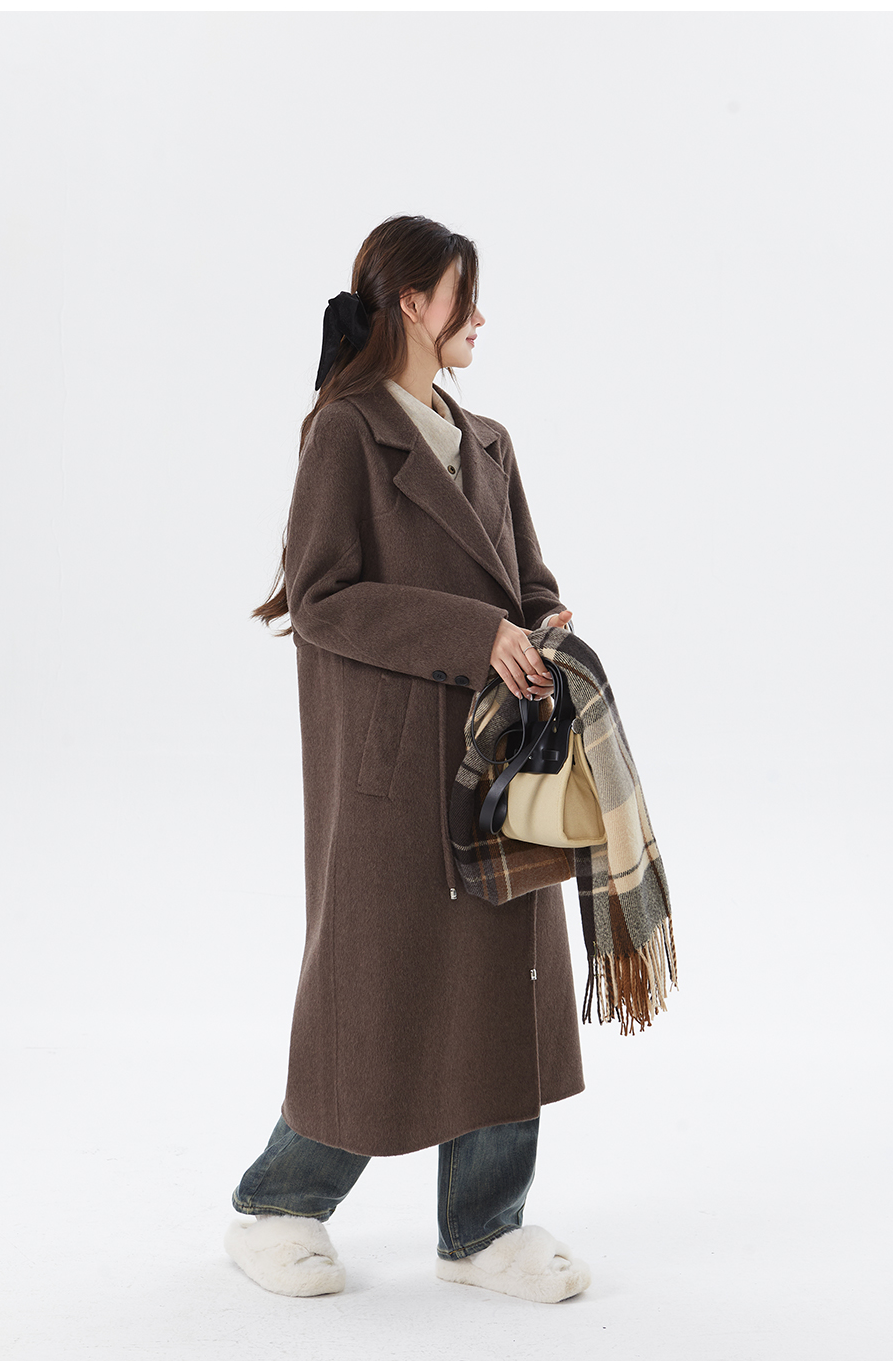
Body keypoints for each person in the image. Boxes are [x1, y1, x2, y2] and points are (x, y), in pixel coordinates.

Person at [224, 215, 591, 1304]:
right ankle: (277, 1206)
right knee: (375, 991)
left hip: (499, 760)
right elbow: (321, 599)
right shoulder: (344, 433)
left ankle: (483, 1231)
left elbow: (525, 579)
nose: (478, 317)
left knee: (502, 987)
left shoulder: (490, 442)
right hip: (391, 771)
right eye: (461, 296)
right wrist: (473, 635)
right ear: (411, 306)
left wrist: (541, 622)